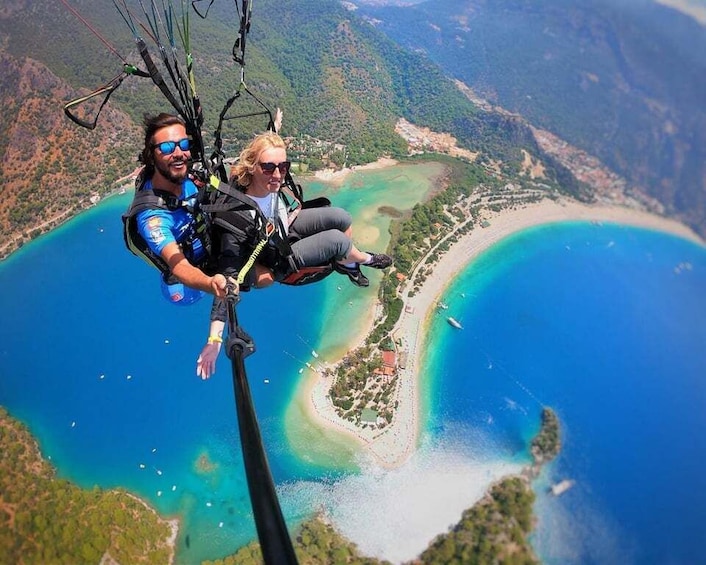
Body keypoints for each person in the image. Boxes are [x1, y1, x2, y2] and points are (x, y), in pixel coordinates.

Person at [195, 131, 392, 379]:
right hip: (278, 257)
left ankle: (346, 262)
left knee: (342, 217)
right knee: (337, 240)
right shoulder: (236, 219)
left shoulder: (267, 183)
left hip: (284, 227)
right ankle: (363, 259)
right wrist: (214, 340)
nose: (277, 175)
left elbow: (270, 155)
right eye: (268, 168)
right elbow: (227, 280)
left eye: (283, 166)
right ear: (253, 167)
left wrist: (274, 129)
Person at [123, 113, 230, 304]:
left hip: (210, 244)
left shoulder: (186, 174)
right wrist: (209, 282)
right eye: (167, 147)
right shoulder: (153, 217)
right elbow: (178, 265)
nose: (179, 152)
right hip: (196, 267)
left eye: (184, 144)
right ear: (151, 155)